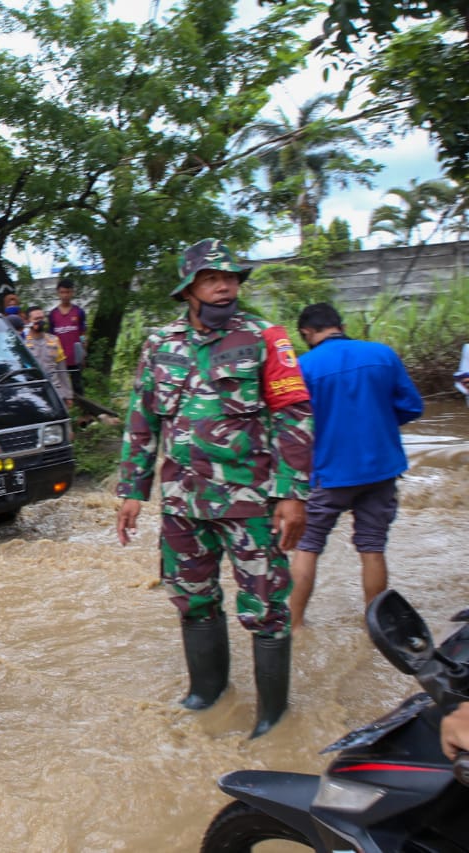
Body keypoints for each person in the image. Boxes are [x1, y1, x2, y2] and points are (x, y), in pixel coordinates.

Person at [114, 238, 314, 738]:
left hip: (251, 502)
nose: (225, 286)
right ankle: (208, 692)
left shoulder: (266, 338)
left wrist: (293, 493)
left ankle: (272, 715)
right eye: (211, 279)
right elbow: (142, 420)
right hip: (182, 503)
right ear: (189, 291)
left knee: (266, 607)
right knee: (192, 597)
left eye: (231, 278)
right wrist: (132, 489)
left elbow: (294, 415)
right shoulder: (160, 344)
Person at [288, 303, 423, 633]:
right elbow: (412, 407)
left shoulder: (302, 367)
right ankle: (377, 629)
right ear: (340, 324)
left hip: (329, 472)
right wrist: (378, 422)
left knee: (308, 545)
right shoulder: (382, 355)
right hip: (381, 469)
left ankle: (294, 626)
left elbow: (293, 428)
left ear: (306, 333)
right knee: (373, 546)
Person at [25, 305, 73, 408]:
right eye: (36, 319)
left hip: (56, 392)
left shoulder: (54, 340)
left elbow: (62, 370)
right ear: (28, 321)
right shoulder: (22, 344)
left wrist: (68, 395)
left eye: (42, 318)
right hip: (34, 394)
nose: (40, 321)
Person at [48, 277, 88, 397]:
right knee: (61, 387)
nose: (65, 295)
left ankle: (83, 412)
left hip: (75, 357)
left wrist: (84, 353)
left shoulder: (79, 312)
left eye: (68, 292)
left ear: (72, 292)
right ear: (58, 293)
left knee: (77, 386)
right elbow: (50, 337)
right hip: (60, 358)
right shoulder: (53, 314)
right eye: (62, 292)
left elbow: (83, 334)